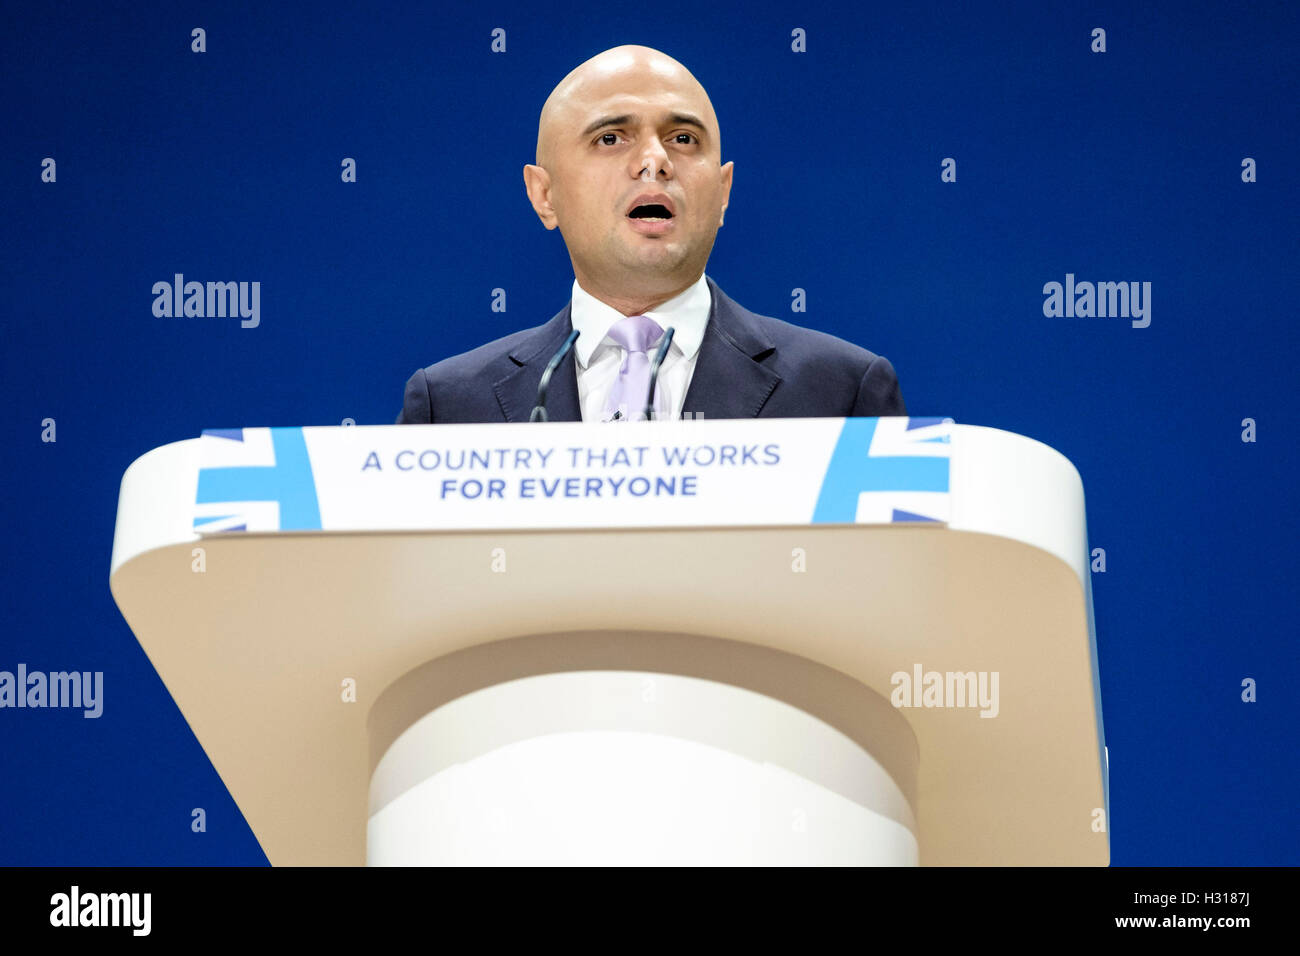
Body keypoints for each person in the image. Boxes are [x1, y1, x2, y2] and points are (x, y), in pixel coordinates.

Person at [396, 44, 906, 425]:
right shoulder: (448, 406)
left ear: (724, 191)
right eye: (611, 137)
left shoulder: (843, 393)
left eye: (683, 139)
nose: (655, 161)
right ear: (543, 195)